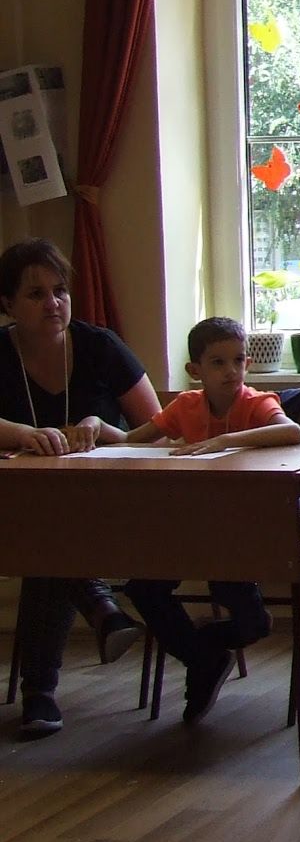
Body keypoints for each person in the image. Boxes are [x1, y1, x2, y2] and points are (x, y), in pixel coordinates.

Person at [0, 238, 161, 739]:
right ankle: (97, 606)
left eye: (61, 291)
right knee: (49, 531)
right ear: (7, 304)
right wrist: (21, 434)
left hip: (106, 506)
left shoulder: (100, 346)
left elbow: (158, 430)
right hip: (16, 511)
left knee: (52, 538)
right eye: (36, 294)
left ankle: (41, 692)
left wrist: (101, 426)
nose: (53, 303)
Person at [120, 317, 300, 722]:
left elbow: (291, 432)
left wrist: (222, 441)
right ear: (195, 370)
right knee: (143, 589)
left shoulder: (256, 402)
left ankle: (204, 651)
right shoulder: (186, 405)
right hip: (188, 527)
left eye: (238, 360)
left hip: (239, 533)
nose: (231, 371)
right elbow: (132, 441)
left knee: (251, 623)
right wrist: (96, 427)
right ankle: (204, 658)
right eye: (218, 362)